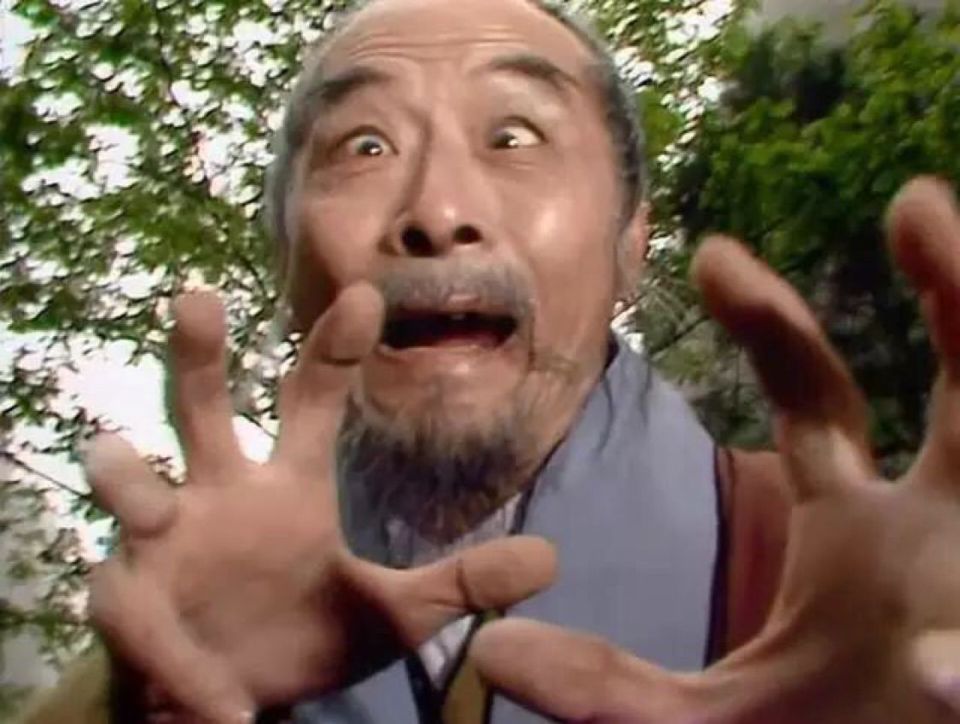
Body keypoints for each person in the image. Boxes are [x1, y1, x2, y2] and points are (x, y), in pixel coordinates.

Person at [20, 0, 960, 722]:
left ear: (631, 243)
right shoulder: (177, 647)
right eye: (366, 145)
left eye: (514, 138)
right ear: (283, 259)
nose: (438, 212)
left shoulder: (829, 583)